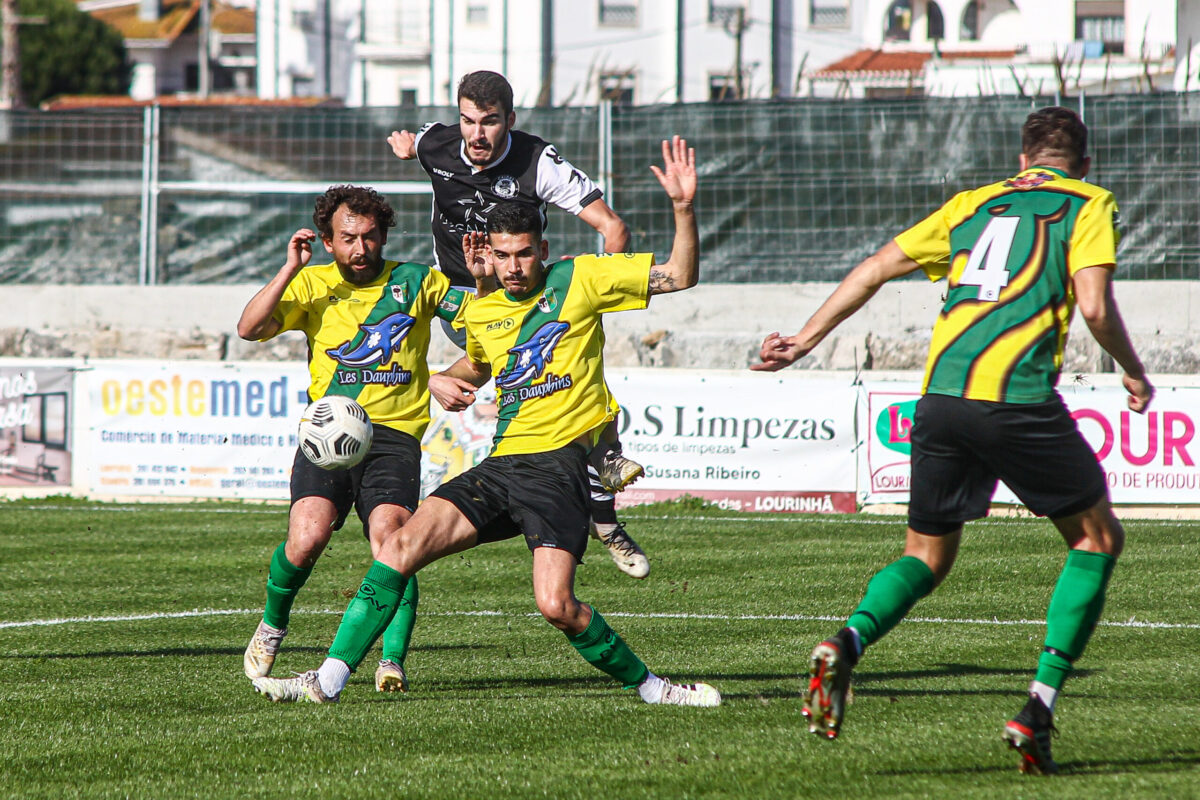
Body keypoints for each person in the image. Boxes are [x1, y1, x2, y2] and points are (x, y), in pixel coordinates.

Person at [251, 136, 720, 708]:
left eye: (524, 253)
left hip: (559, 471)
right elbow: (469, 368)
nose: (515, 266)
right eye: (503, 255)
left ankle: (653, 688)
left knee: (557, 606)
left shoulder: (582, 279)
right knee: (396, 547)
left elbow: (679, 275)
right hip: (500, 466)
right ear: (488, 255)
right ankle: (324, 681)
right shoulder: (487, 309)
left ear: (542, 248)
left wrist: (682, 207)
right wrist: (435, 374)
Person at [752, 107, 1153, 774]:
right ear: (1082, 165)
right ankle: (1038, 708)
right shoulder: (1088, 202)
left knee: (927, 556)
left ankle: (847, 642)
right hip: (1015, 398)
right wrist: (1132, 371)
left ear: (1023, 160)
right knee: (1097, 538)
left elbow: (875, 267)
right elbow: (1093, 305)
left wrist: (804, 339)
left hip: (940, 397)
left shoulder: (974, 203)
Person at [387, 69, 649, 580]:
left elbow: (613, 229)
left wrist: (591, 293)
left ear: (510, 119)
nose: (477, 135)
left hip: (526, 298)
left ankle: (601, 497)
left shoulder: (537, 161)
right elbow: (417, 138)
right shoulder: (436, 145)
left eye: (489, 122)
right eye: (468, 121)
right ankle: (603, 489)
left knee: (563, 381)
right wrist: (405, 146)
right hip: (462, 300)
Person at [237, 184, 490, 695]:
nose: (360, 249)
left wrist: (446, 366)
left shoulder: (418, 281)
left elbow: (491, 337)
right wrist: (289, 268)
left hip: (394, 438)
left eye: (370, 237)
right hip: (328, 434)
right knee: (306, 540)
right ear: (328, 242)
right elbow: (248, 327)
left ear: (383, 235)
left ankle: (391, 660)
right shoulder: (312, 285)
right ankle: (272, 625)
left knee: (393, 542)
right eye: (348, 238)